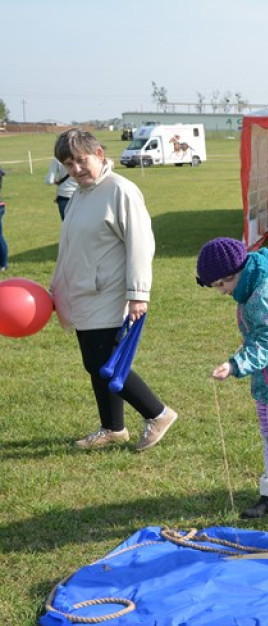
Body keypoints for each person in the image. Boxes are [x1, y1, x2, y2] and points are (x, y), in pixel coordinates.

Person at [49, 129, 178, 451]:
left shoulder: (121, 190)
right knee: (95, 364)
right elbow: (70, 247)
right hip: (83, 292)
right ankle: (113, 428)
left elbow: (140, 244)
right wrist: (59, 286)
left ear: (99, 154)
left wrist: (138, 293)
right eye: (69, 164)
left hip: (109, 292)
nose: (76, 169)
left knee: (104, 362)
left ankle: (158, 414)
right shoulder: (79, 194)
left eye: (81, 160)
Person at [197, 238, 268, 533]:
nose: (222, 291)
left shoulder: (266, 293)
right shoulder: (250, 285)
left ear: (233, 273)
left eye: (221, 285)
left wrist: (235, 365)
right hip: (265, 377)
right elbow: (257, 336)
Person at [46, 156, 79, 220]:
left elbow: (49, 181)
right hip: (81, 195)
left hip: (64, 196)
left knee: (67, 224)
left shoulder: (58, 157)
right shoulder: (81, 154)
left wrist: (56, 181)